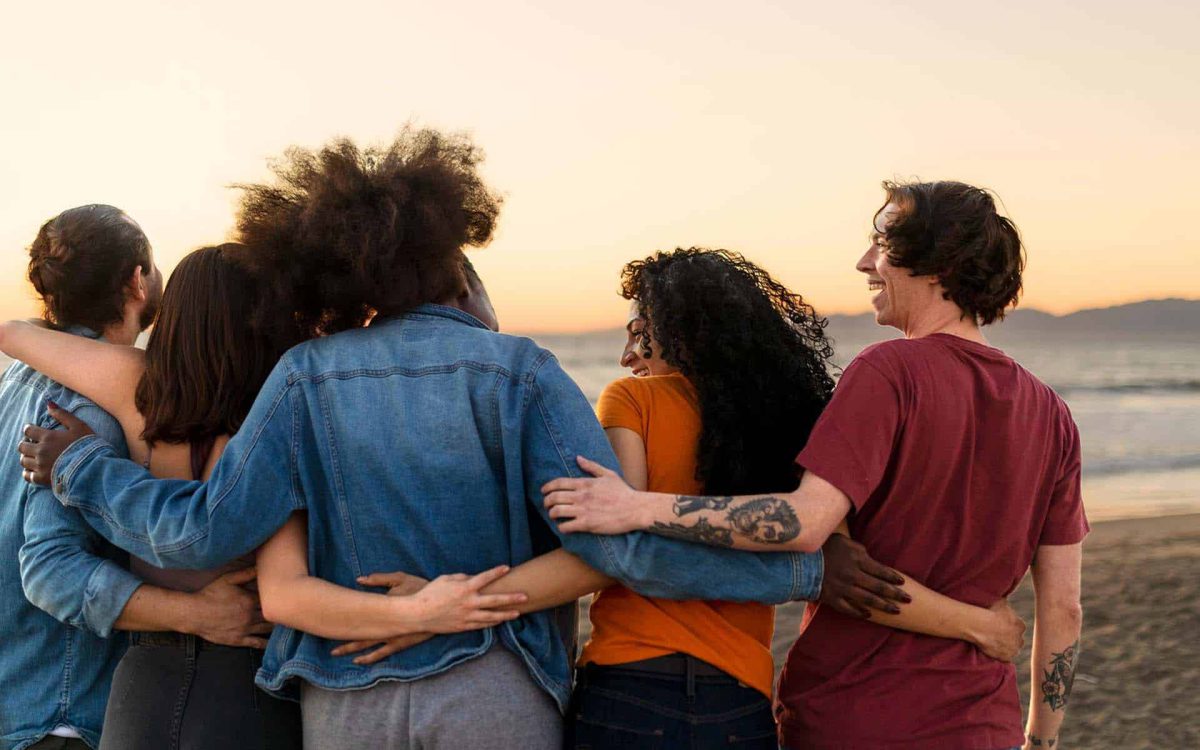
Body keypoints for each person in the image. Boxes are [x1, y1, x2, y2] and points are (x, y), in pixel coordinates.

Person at [18, 128, 842, 750]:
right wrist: (799, 571)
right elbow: (610, 545)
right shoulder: (522, 369)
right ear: (450, 259)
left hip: (348, 690)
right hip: (494, 685)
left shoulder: (303, 376)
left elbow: (208, 529)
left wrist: (83, 469)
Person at [544, 181, 1088, 750]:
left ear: (938, 266)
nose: (864, 262)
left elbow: (804, 524)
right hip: (983, 724)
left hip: (856, 712)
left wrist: (636, 507)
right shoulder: (1052, 415)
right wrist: (1040, 740)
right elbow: (1064, 610)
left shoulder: (888, 372)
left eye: (882, 243)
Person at [2, 242, 526, 750]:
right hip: (247, 681)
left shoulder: (132, 386)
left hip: (142, 687)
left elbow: (13, 334)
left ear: (177, 317)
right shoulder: (282, 414)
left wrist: (77, 463)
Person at [0, 206, 271, 750]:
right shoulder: (89, 404)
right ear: (137, 280)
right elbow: (51, 571)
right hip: (62, 713)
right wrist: (196, 614)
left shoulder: (17, 383)